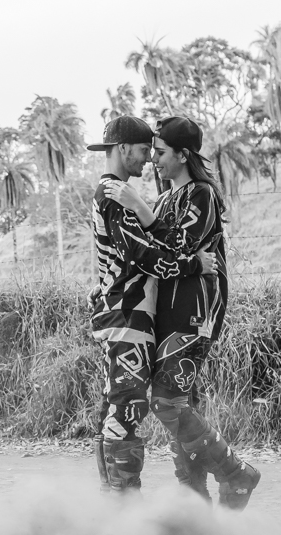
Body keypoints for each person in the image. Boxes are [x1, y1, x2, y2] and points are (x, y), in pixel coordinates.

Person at [102, 116, 260, 509]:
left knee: (166, 402)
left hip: (195, 313)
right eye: (151, 152)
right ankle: (197, 506)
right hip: (166, 314)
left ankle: (236, 472)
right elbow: (155, 252)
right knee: (177, 405)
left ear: (182, 155)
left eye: (159, 152)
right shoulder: (166, 197)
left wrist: (140, 206)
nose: (153, 159)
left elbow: (178, 247)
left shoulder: (201, 194)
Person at [86, 115, 206, 492]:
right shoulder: (117, 195)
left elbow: (122, 256)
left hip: (124, 312)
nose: (148, 159)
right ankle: (122, 507)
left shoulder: (114, 193)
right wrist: (194, 264)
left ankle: (113, 501)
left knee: (117, 404)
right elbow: (141, 254)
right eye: (142, 151)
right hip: (128, 315)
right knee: (127, 406)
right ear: (123, 150)